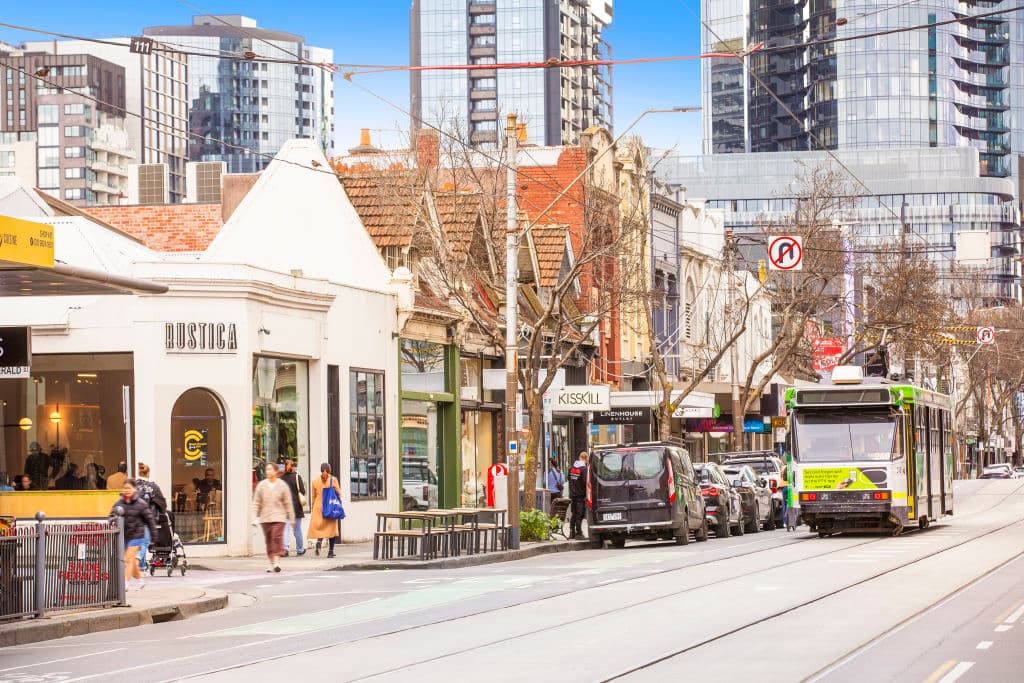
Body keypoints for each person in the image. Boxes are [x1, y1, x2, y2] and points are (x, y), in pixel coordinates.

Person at [111, 479, 157, 591]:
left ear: (135, 489)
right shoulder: (119, 503)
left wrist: (154, 536)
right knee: (131, 561)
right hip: (125, 535)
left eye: (129, 488)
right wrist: (111, 522)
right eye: (125, 488)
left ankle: (125, 584)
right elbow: (112, 516)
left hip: (137, 535)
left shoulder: (141, 504)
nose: (127, 490)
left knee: (128, 559)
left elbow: (150, 520)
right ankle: (140, 581)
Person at [252, 462, 294, 573]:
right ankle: (271, 563)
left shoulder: (282, 485)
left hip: (279, 517)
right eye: (267, 470)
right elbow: (256, 502)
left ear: (276, 471)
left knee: (276, 537)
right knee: (269, 540)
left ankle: (276, 562)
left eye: (270, 469)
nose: (268, 471)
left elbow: (288, 503)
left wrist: (292, 517)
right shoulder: (261, 485)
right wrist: (254, 517)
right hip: (265, 518)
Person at [135, 463, 168, 570]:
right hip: (146, 519)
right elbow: (162, 503)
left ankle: (142, 566)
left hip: (132, 519)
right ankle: (136, 560)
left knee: (138, 541)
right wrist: (162, 512)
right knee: (144, 542)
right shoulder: (153, 487)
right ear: (148, 473)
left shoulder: (132, 485)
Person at [309, 463, 342, 558]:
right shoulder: (333, 479)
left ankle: (319, 541)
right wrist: (338, 502)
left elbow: (313, 496)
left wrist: (312, 508)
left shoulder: (315, 481)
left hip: (318, 506)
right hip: (330, 506)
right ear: (329, 470)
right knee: (331, 529)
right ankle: (330, 551)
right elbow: (338, 493)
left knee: (322, 528)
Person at [280, 460, 306, 556]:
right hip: (296, 508)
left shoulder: (281, 478)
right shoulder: (297, 477)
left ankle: (285, 549)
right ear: (293, 467)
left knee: (285, 529)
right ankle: (300, 549)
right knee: (297, 529)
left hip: (285, 507)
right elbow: (303, 491)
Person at [568, 451, 589, 539]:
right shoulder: (584, 469)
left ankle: (572, 532)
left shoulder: (572, 468)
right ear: (586, 459)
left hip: (573, 495)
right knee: (580, 514)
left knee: (574, 513)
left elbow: (568, 478)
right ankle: (579, 532)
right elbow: (585, 482)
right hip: (580, 495)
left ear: (579, 457)